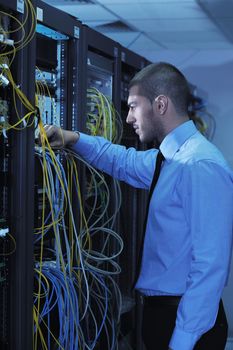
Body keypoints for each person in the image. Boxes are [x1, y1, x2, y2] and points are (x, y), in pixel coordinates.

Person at [42, 62, 233, 350]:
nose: (129, 117)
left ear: (160, 104)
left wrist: (182, 340)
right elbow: (120, 160)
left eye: (133, 106)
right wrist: (72, 138)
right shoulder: (169, 160)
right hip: (164, 316)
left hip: (185, 323)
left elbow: (211, 264)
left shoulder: (199, 164)